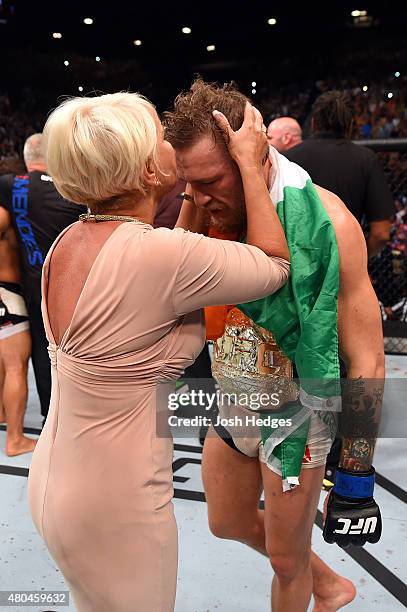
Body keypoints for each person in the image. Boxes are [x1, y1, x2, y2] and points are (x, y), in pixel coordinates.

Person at [27, 92, 290, 612]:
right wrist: (246, 164)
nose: (171, 142)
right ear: (149, 168)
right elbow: (273, 265)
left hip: (58, 480)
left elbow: (166, 260)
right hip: (118, 500)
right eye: (159, 135)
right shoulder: (158, 255)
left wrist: (188, 194)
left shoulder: (71, 242)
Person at [164, 79, 384, 612]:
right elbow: (172, 267)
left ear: (253, 158)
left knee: (287, 563)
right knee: (226, 523)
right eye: (189, 185)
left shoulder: (329, 222)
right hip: (235, 396)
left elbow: (367, 355)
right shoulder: (207, 212)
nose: (199, 197)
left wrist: (355, 469)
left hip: (300, 412)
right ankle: (330, 583)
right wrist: (199, 198)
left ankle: (318, 589)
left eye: (213, 181)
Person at [0, 134, 87, 426]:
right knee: (78, 347)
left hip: (33, 285)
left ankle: (51, 413)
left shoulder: (11, 184)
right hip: (75, 284)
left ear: (26, 157)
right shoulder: (71, 190)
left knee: (42, 346)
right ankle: (80, 412)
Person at [285, 90, 395, 258]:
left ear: (313, 123)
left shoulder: (288, 159)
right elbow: (381, 233)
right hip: (345, 262)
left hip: (299, 263)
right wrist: (358, 262)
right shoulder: (366, 159)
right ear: (351, 125)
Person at [0, 203, 36, 455]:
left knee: (3, 362)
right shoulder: (2, 212)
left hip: (4, 293)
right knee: (16, 365)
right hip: (7, 294)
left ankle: (2, 413)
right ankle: (15, 439)